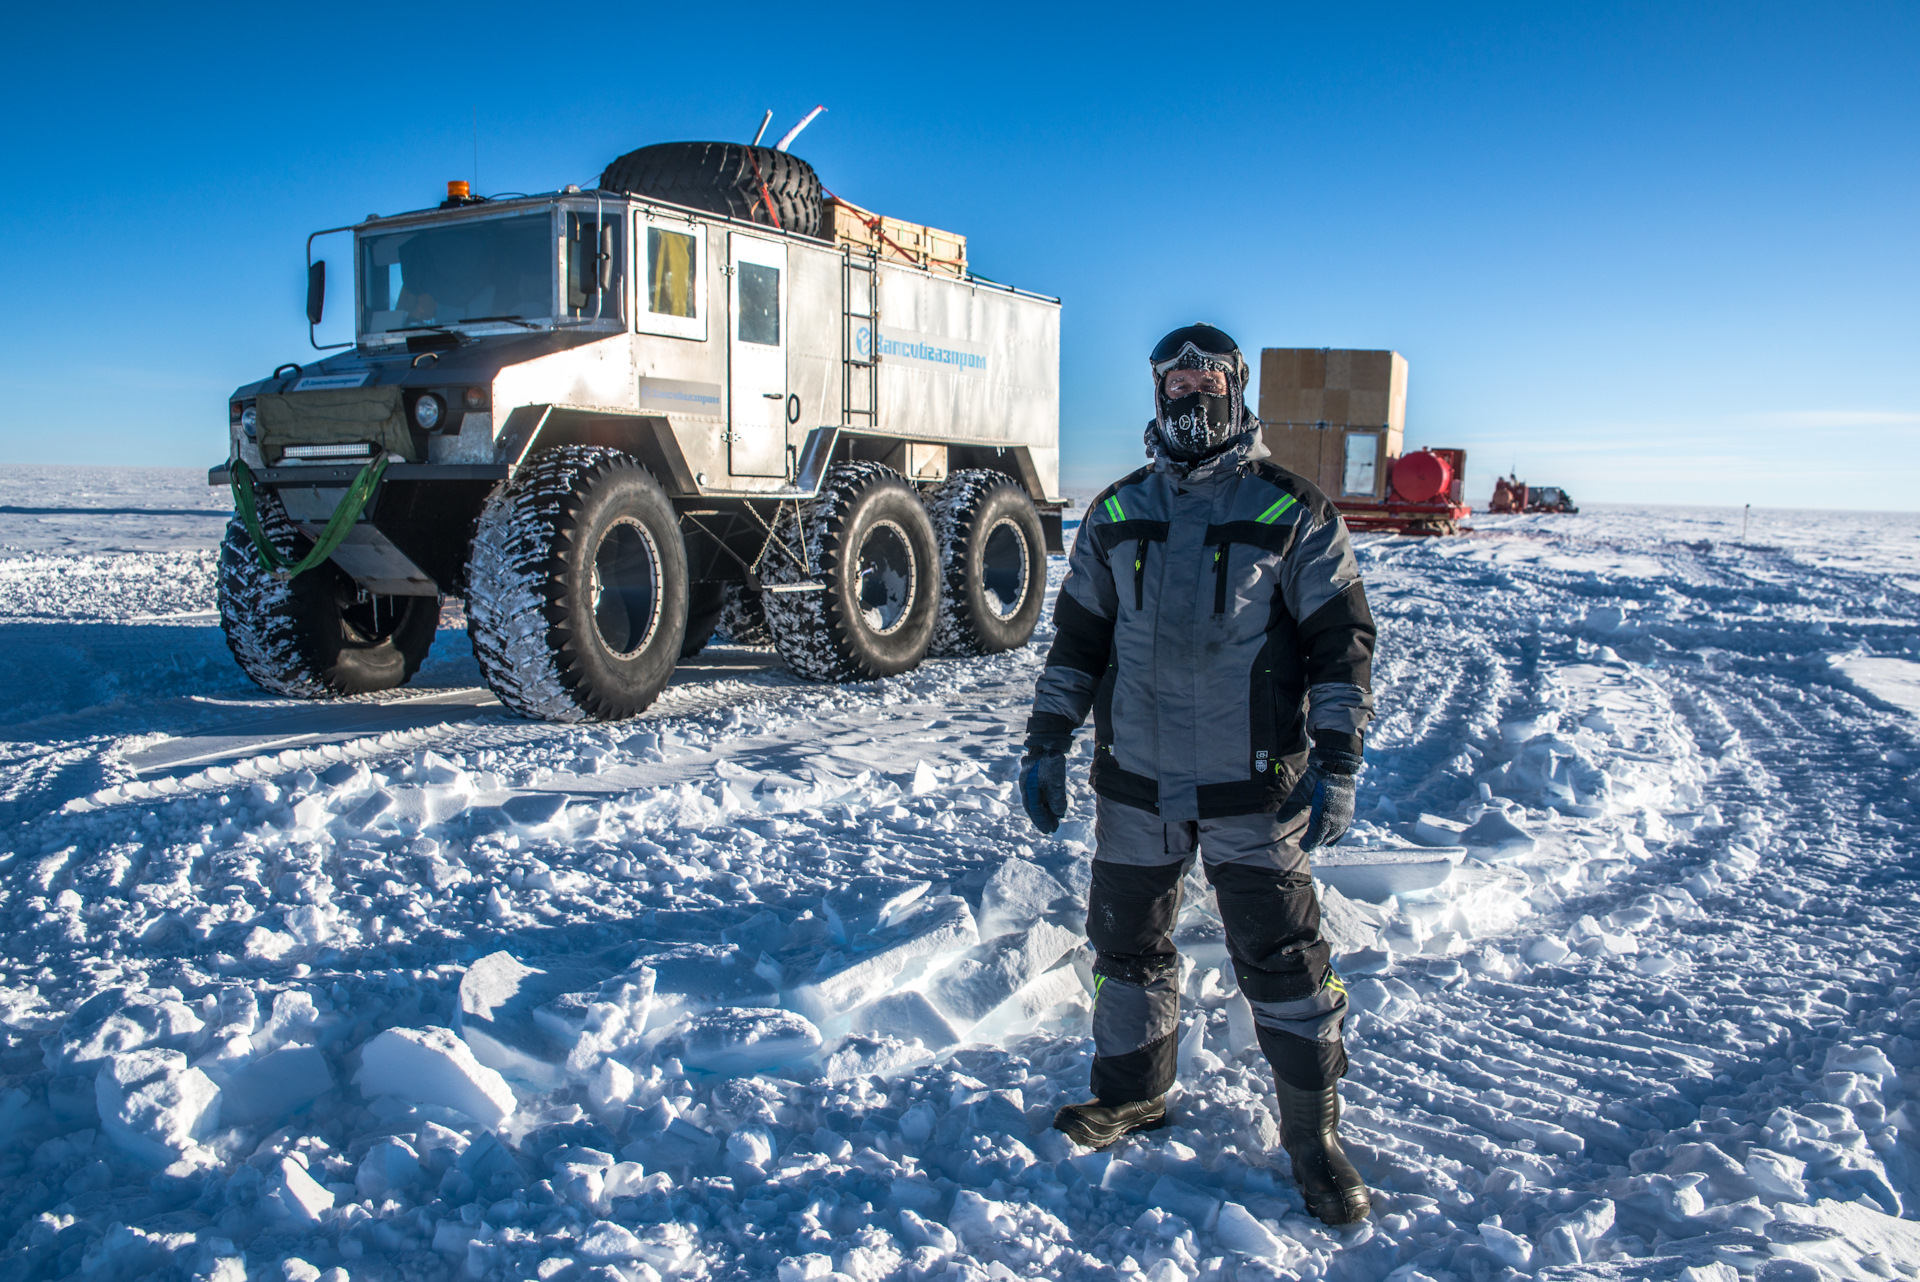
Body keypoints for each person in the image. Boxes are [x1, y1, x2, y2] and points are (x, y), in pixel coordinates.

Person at [1020, 324, 1376, 1225]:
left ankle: (1313, 1134)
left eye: (1205, 379)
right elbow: (1078, 645)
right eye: (1172, 383)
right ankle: (1134, 1090)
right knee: (1125, 951)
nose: (1188, 396)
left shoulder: (1292, 510)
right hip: (1135, 783)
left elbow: (1341, 648)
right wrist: (1046, 740)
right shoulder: (1113, 513)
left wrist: (1339, 757)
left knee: (1286, 961)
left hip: (1251, 788)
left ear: (1238, 387)